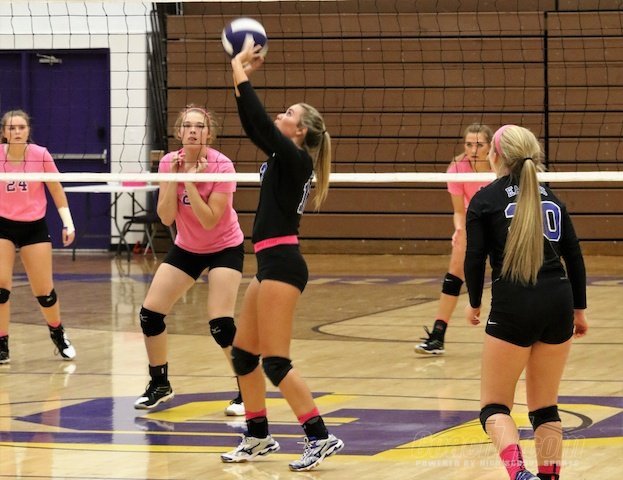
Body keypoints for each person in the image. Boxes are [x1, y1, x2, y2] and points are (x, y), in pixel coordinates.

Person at [220, 43, 344, 472]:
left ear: (301, 130)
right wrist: (237, 77)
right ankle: (257, 436)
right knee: (243, 355)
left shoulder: (294, 158)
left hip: (283, 265)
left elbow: (258, 121)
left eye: (289, 113)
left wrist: (239, 69)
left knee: (275, 361)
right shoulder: (283, 154)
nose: (280, 115)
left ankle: (320, 436)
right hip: (268, 265)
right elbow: (253, 125)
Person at [463, 125, 588, 480]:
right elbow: (574, 257)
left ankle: (519, 474)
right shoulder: (552, 197)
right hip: (558, 301)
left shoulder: (485, 199)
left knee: (494, 407)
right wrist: (579, 310)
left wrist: (473, 302)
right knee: (545, 408)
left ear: (496, 155)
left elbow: (474, 258)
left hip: (514, 303)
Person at [133, 105, 246, 416]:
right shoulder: (169, 162)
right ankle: (160, 385)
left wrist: (192, 183)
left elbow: (210, 220)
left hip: (224, 246)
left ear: (209, 133)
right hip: (188, 246)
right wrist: (175, 176)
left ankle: (247, 389)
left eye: (200, 126)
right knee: (150, 315)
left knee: (220, 324)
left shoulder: (223, 166)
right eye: (187, 125)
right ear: (179, 132)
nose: (193, 130)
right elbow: (166, 216)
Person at [0, 109, 77, 364]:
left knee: (44, 291)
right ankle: (2, 343)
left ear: (28, 130)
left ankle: (57, 332)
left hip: (33, 226)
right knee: (1, 288)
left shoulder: (40, 154)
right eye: (11, 128)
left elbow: (56, 189)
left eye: (21, 127)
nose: (17, 132)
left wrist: (68, 224)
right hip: (2, 225)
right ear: (4, 132)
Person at [415, 123, 493, 355]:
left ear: (490, 146)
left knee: (513, 274)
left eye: (479, 145)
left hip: (502, 221)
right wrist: (459, 229)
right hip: (473, 221)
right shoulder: (457, 169)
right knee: (454, 273)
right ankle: (438, 335)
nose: (474, 150)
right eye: (469, 145)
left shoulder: (501, 167)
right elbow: (459, 211)